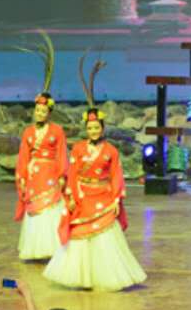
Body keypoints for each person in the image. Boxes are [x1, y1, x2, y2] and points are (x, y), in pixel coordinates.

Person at [45, 82, 146, 291]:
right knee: (80, 236)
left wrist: (117, 199)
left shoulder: (110, 151)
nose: (93, 131)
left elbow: (117, 176)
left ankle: (106, 276)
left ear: (102, 128)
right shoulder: (79, 149)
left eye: (96, 127)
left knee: (104, 238)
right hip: (82, 196)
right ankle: (82, 276)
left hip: (104, 197)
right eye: (90, 128)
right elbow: (72, 174)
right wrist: (71, 196)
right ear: (86, 129)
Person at [17, 65, 69, 262]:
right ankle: (35, 248)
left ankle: (53, 246)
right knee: (35, 208)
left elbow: (62, 153)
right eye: (37, 110)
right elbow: (23, 155)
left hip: (50, 172)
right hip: (34, 174)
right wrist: (22, 176)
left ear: (49, 112)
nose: (39, 113)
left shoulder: (57, 131)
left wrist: (62, 175)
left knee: (51, 208)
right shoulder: (28, 132)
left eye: (43, 110)